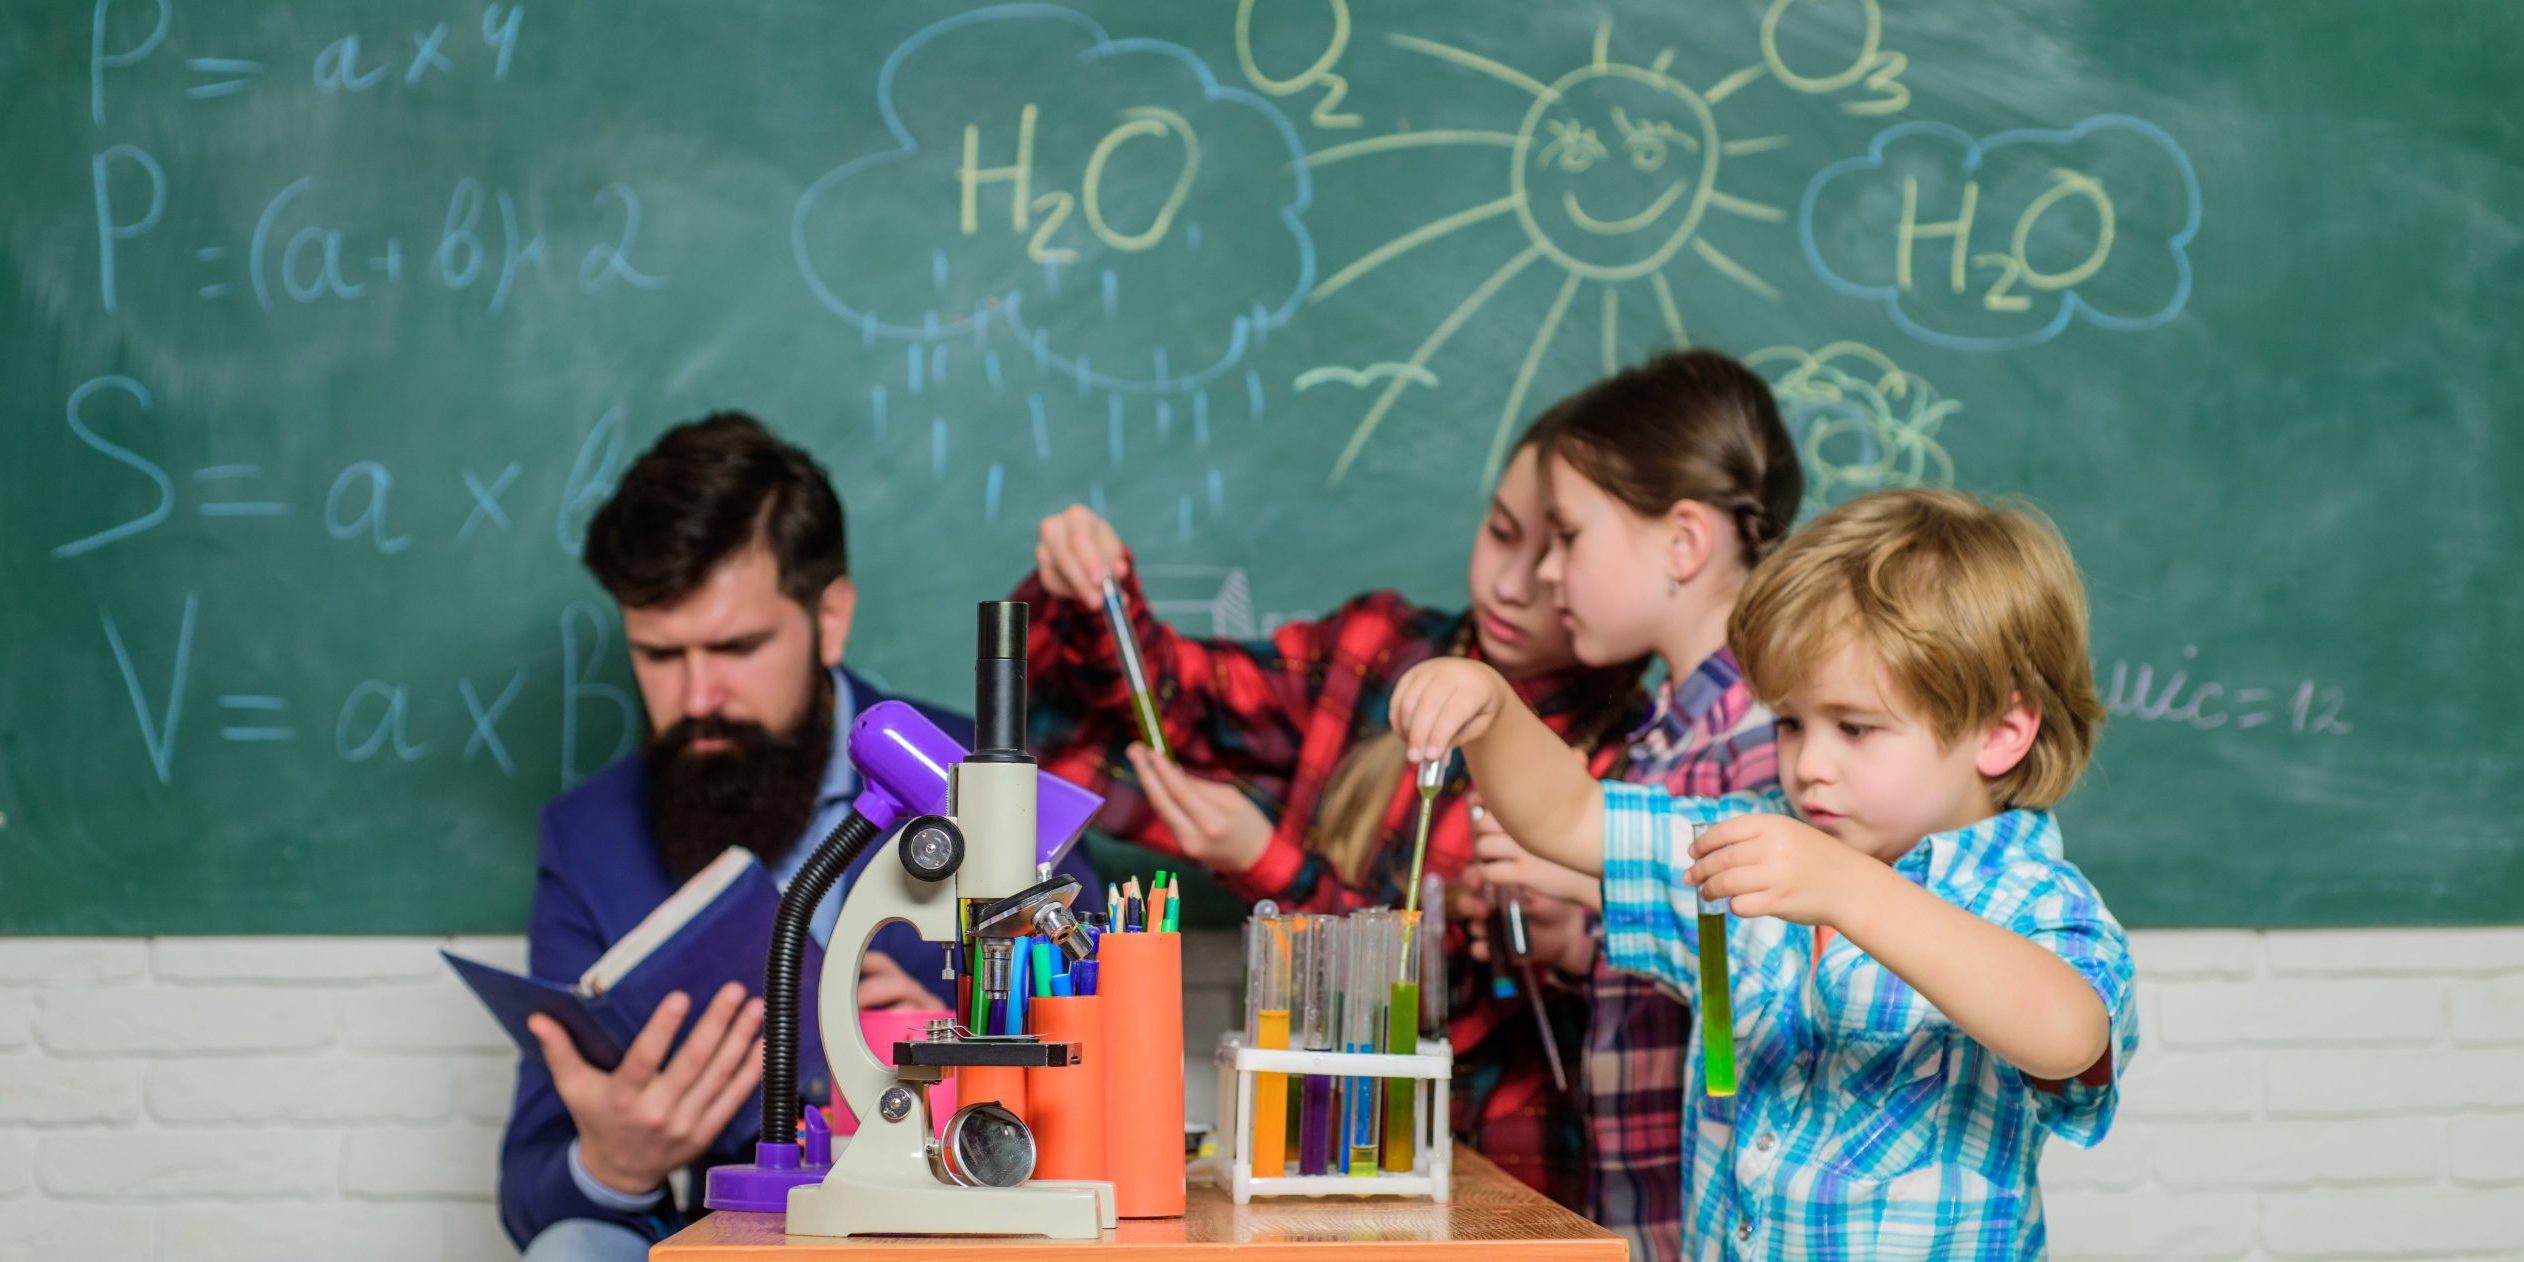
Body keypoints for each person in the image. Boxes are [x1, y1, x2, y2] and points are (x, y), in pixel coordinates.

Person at [1393, 487, 2135, 1258]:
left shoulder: (2028, 895)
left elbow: (2069, 1035)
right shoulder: (1748, 841)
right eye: (1790, 723)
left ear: (2001, 733)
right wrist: (1492, 709)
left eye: (1855, 728)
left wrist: (1851, 890)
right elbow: (1572, 818)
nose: (1810, 764)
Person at [499, 413, 1096, 1258]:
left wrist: (963, 1044)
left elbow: (1103, 1037)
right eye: (660, 655)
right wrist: (613, 1161)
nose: (698, 697)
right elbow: (530, 1186)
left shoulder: (990, 786)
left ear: (831, 615)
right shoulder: (589, 841)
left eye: (737, 646)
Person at [1016, 412, 1642, 1206]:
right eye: (1501, 533)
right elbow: (1178, 694)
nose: (1512, 584)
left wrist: (1265, 862)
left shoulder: (1607, 768)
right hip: (1300, 1146)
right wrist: (1097, 592)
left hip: (1495, 1174)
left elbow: (1443, 999)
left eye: (1559, 552)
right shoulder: (1380, 645)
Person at [1465, 348, 1802, 1262]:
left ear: (1684, 544)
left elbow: (1753, 1003)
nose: (1546, 574)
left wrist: (1603, 887)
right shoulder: (1665, 738)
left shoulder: (1769, 739)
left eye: (1570, 537)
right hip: (1644, 1216)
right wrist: (1582, 937)